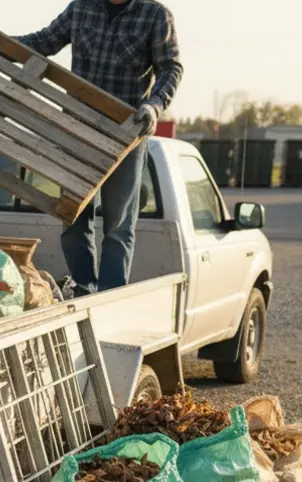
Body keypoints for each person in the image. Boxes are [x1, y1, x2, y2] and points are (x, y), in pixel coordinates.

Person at [17, 0, 183, 295]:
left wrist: (154, 106)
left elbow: (170, 69)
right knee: (73, 218)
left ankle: (109, 296)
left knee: (118, 225)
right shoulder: (81, 7)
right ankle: (83, 288)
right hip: (78, 131)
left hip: (126, 135)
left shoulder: (155, 15)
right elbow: (43, 41)